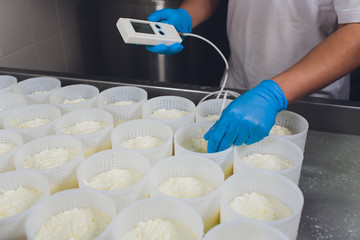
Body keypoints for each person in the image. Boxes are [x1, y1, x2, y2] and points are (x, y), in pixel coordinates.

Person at [146, 0, 360, 153]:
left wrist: (272, 95)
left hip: (309, 104)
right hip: (237, 89)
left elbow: (356, 31)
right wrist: (186, 16)